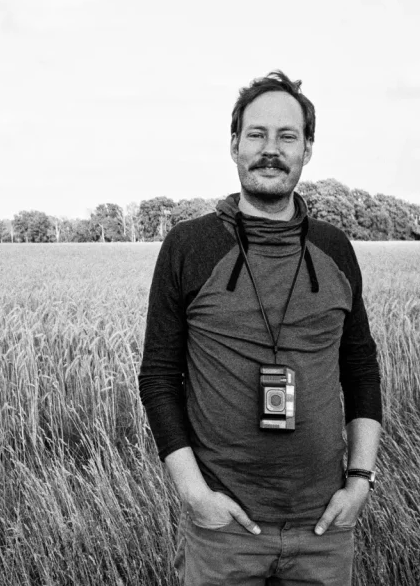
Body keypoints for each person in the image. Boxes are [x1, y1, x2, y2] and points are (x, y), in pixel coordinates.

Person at [138, 71, 383, 585]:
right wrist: (195, 497)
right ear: (234, 145)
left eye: (287, 136)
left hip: (324, 529)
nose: (270, 150)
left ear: (307, 150)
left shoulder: (334, 248)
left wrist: (359, 481)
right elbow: (159, 376)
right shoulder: (190, 246)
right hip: (224, 531)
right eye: (257, 134)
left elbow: (360, 369)